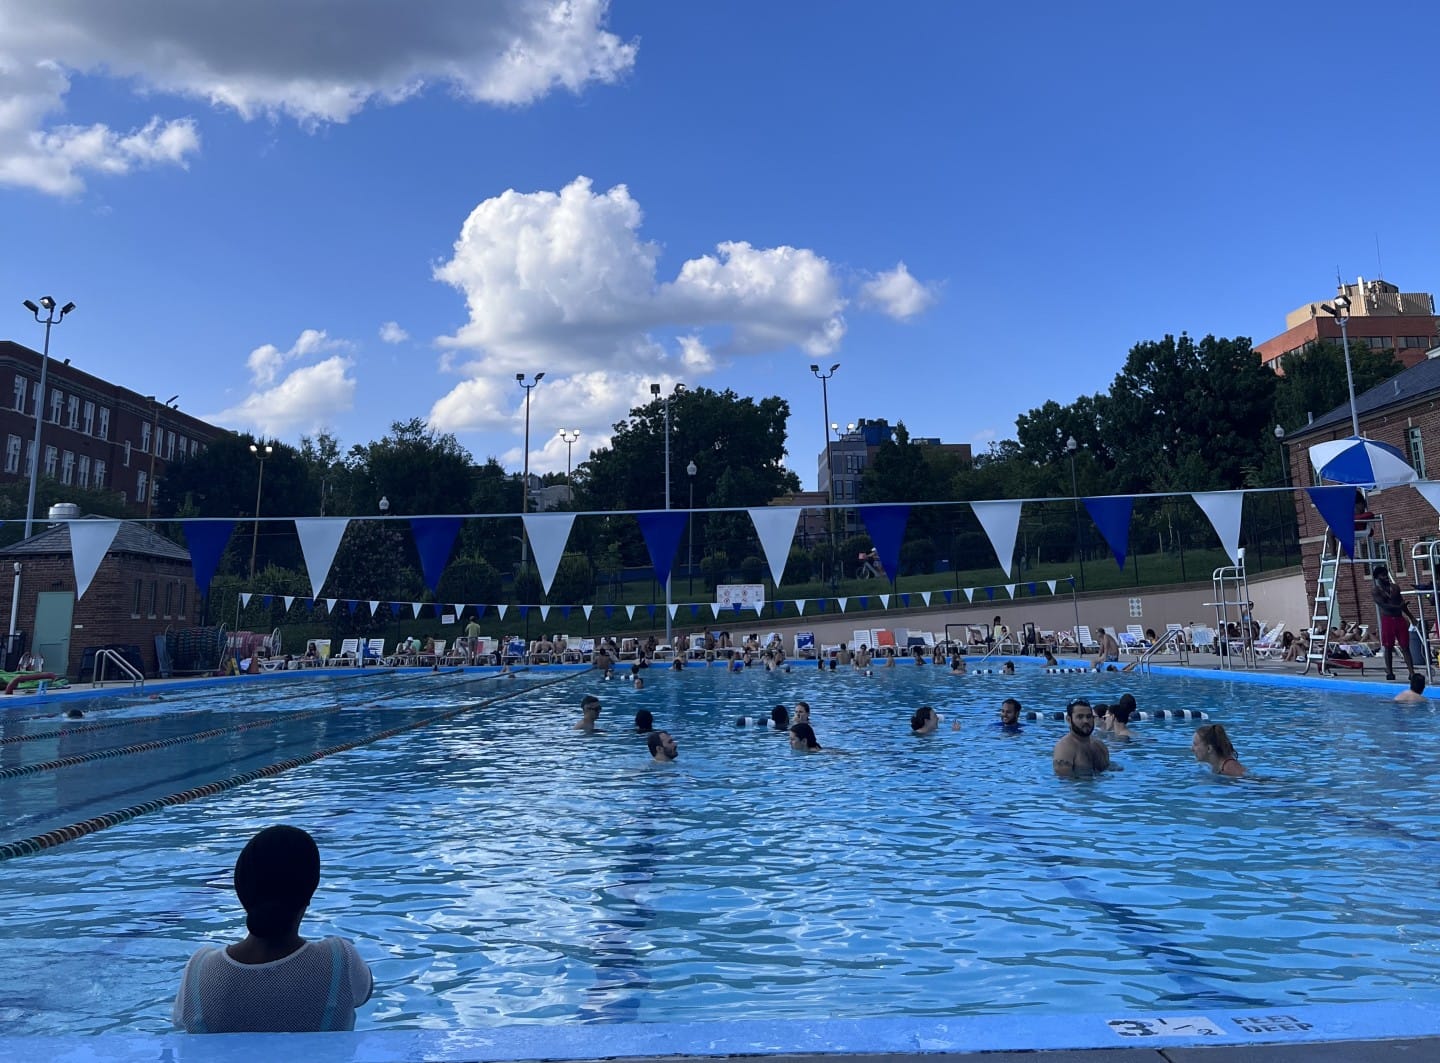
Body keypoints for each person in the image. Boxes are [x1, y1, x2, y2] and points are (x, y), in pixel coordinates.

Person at [173, 825, 372, 1033]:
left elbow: (179, 1021)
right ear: (310, 888)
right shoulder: (339, 960)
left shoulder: (199, 970)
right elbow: (364, 993)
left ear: (242, 890)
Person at [1052, 698, 1120, 778]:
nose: (1086, 721)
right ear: (1069, 720)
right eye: (1080, 717)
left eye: (1089, 716)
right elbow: (1065, 785)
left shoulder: (1100, 746)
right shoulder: (1064, 749)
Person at [1372, 565, 1418, 680]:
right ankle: (1390, 672)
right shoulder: (1376, 591)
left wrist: (1411, 617)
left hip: (1399, 619)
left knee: (1405, 646)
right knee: (1388, 647)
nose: (1386, 577)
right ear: (1377, 577)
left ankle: (1411, 672)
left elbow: (1402, 604)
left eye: (1386, 574)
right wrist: (1399, 607)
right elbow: (1383, 605)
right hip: (1387, 620)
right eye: (1383, 575)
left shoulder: (1395, 588)